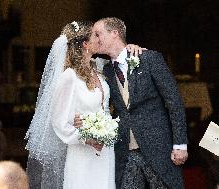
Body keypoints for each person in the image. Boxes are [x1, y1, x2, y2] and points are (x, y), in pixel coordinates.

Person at [25, 21, 143, 189]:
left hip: (105, 151)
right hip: (82, 153)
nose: (99, 38)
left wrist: (131, 48)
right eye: (95, 35)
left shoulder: (99, 68)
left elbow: (121, 59)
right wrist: (87, 138)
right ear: (85, 44)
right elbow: (59, 122)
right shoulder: (69, 77)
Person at [75, 17, 188, 189]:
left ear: (114, 34)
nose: (95, 39)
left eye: (98, 34)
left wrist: (180, 144)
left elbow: (174, 102)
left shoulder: (149, 59)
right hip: (124, 151)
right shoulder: (104, 70)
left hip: (157, 147)